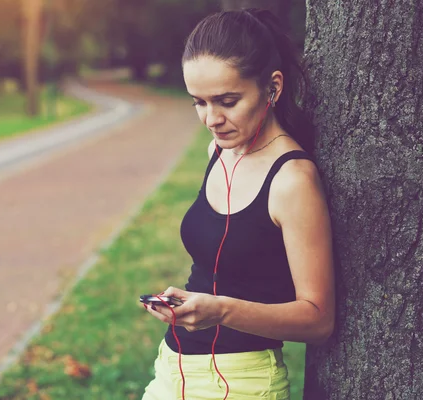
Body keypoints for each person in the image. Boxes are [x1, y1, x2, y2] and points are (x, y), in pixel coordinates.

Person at [141, 8, 335, 400]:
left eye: (227, 100)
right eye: (199, 102)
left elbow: (318, 320)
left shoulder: (292, 181)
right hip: (171, 371)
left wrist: (221, 310)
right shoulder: (219, 150)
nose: (211, 118)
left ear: (273, 88)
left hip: (241, 384)